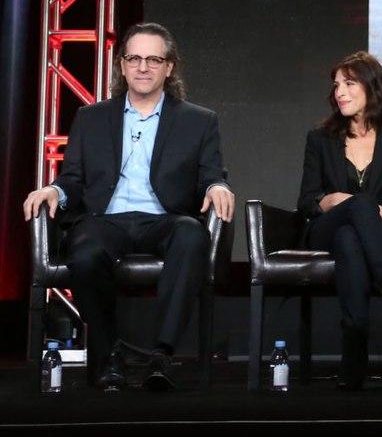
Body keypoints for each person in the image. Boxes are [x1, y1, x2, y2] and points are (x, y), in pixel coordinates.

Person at [22, 22, 235, 390]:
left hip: (164, 219)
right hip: (106, 219)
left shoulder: (198, 120)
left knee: (192, 236)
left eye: (154, 59)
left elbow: (210, 174)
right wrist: (55, 191)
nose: (143, 67)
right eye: (134, 58)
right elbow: (72, 178)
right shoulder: (91, 117)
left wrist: (218, 185)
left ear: (169, 67)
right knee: (84, 251)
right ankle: (109, 356)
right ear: (121, 65)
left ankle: (161, 354)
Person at [297, 51, 382, 390]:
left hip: (375, 233)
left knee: (350, 237)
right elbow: (307, 201)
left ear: (372, 87)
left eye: (349, 84)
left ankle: (354, 351)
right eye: (336, 85)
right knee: (353, 215)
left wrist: (376, 211)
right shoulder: (320, 139)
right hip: (324, 229)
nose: (340, 92)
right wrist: (336, 202)